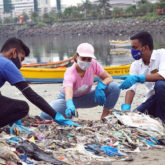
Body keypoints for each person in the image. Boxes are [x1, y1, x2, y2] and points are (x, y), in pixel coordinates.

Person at [0, 37, 79, 128]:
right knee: (22, 107)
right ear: (14, 52)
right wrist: (55, 115)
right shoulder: (7, 64)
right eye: (21, 58)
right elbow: (31, 94)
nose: (21, 64)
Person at [40, 43, 120, 120]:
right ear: (76, 56)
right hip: (68, 99)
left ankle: (105, 116)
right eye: (83, 58)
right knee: (45, 114)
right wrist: (69, 104)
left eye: (89, 59)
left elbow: (109, 78)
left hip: (86, 97)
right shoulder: (70, 72)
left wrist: (101, 86)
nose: (86, 61)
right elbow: (68, 91)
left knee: (114, 87)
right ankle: (68, 113)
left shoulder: (93, 64)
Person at [119, 31, 165, 123]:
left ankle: (163, 121)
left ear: (146, 48)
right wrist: (126, 106)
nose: (132, 51)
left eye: (135, 47)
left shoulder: (162, 54)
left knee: (160, 85)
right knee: (134, 117)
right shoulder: (135, 65)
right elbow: (131, 88)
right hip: (152, 99)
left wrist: (140, 77)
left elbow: (162, 75)